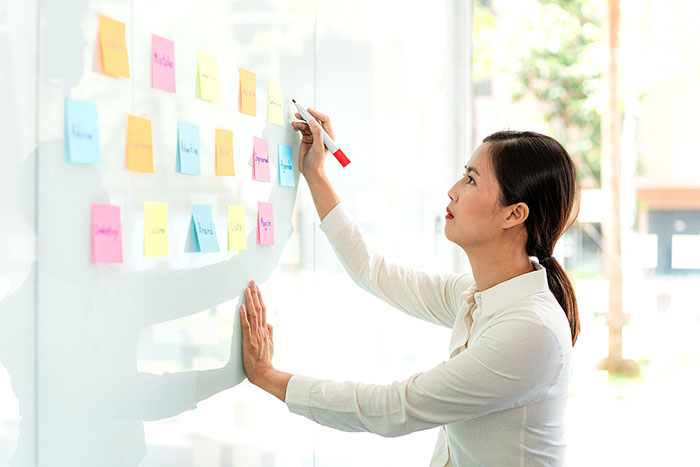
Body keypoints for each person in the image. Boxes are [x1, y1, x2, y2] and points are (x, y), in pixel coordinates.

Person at [239, 108, 580, 466]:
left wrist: (268, 377)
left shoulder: (530, 330)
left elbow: (396, 408)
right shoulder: (478, 296)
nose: (453, 191)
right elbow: (374, 271)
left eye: (471, 180)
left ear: (514, 214)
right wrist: (316, 174)